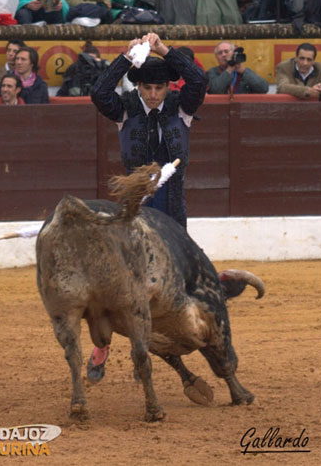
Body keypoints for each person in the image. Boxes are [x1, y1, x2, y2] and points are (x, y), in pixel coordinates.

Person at [89, 32, 207, 383]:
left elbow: (199, 78)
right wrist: (128, 59)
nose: (154, 94)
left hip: (172, 206)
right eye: (147, 88)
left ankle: (169, 340)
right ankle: (102, 343)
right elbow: (98, 93)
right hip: (136, 205)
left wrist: (161, 49)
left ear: (168, 87)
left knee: (179, 278)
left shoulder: (182, 108)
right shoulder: (124, 110)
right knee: (119, 279)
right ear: (138, 87)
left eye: (159, 88)